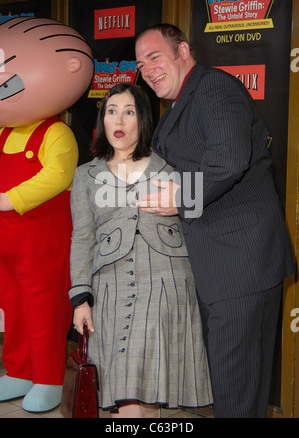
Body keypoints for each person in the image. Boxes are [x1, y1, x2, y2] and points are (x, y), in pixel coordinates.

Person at [135, 23, 295, 418]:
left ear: (183, 51)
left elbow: (228, 160)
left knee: (236, 386)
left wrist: (178, 198)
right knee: (240, 385)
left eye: (154, 56)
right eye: (140, 64)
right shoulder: (183, 100)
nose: (147, 69)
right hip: (223, 263)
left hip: (240, 264)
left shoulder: (214, 88)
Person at [69, 83, 212, 419]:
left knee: (141, 394)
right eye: (112, 111)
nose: (118, 119)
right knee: (128, 394)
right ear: (102, 119)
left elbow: (201, 220)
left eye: (129, 111)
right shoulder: (84, 176)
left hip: (166, 284)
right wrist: (80, 297)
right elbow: (82, 237)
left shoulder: (172, 169)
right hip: (109, 289)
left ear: (143, 119)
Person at [0, 16, 94, 412]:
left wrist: (9, 198)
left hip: (42, 240)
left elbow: (56, 176)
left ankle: (49, 379)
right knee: (13, 307)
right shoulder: (4, 132)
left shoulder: (56, 133)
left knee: (43, 309)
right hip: (7, 242)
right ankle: (18, 371)